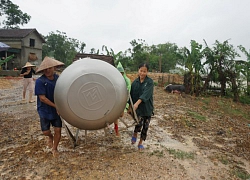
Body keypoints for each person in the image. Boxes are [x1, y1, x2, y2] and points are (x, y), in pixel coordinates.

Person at [34, 56, 64, 157]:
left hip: (56, 108)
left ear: (54, 68)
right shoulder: (40, 82)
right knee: (46, 131)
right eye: (45, 69)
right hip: (44, 109)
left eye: (50, 68)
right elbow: (42, 98)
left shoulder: (58, 79)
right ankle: (50, 137)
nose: (47, 70)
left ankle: (55, 148)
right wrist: (56, 106)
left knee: (58, 129)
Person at [128, 63, 154, 151]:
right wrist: (130, 107)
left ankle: (140, 143)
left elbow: (146, 94)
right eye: (141, 71)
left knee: (145, 126)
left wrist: (137, 103)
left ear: (147, 72)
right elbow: (130, 96)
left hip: (147, 108)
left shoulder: (149, 82)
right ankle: (135, 133)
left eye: (144, 71)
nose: (142, 73)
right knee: (138, 123)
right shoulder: (134, 83)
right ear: (138, 70)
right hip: (138, 109)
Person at [114, 62, 131, 136]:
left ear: (123, 72)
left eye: (121, 73)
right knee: (115, 115)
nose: (120, 74)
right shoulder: (114, 79)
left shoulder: (126, 80)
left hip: (123, 100)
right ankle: (116, 129)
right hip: (115, 100)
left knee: (120, 115)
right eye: (118, 73)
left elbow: (128, 91)